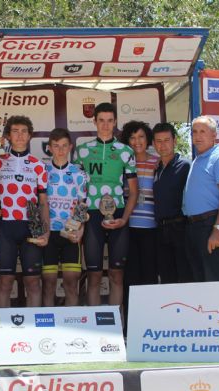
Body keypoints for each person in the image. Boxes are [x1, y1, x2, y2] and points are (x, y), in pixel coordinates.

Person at [74, 102, 138, 307]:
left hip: (118, 215)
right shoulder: (82, 151)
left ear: (115, 122)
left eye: (110, 121)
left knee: (116, 274)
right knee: (93, 275)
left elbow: (134, 192)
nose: (105, 125)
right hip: (91, 216)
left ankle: (117, 326)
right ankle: (95, 326)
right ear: (94, 122)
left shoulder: (126, 151)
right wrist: (78, 223)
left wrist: (124, 220)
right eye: (101, 120)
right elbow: (78, 192)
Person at [0, 116, 49, 307]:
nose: (20, 135)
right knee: (4, 282)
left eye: (24, 131)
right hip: (7, 226)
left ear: (30, 135)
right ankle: (2, 328)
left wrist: (46, 231)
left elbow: (43, 201)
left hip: (31, 225)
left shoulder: (38, 165)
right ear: (8, 136)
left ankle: (34, 328)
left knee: (33, 282)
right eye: (15, 131)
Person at [182, 115, 219, 282]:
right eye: (194, 132)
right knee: (199, 282)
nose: (197, 136)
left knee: (214, 281)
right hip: (194, 227)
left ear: (214, 135)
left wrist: (218, 229)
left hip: (210, 225)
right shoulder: (199, 159)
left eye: (203, 132)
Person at [41, 128, 87, 307]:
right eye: (56, 146)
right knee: (49, 283)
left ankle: (72, 325)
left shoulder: (79, 173)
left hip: (70, 231)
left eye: (64, 146)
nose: (60, 150)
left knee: (71, 282)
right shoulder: (42, 171)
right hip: (49, 232)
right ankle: (48, 326)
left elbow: (82, 203)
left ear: (70, 147)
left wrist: (80, 229)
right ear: (49, 148)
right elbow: (39, 203)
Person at [119, 121, 158, 317]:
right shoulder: (121, 163)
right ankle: (131, 324)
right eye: (132, 137)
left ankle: (149, 321)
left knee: (150, 276)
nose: (137, 141)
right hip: (127, 227)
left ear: (148, 139)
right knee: (130, 278)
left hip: (152, 228)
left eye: (141, 137)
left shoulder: (157, 162)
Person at [152, 122, 193, 284]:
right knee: (167, 278)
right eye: (158, 141)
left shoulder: (186, 166)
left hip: (181, 229)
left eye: (166, 140)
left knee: (185, 277)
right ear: (154, 144)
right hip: (161, 230)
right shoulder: (157, 168)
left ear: (174, 141)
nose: (163, 145)